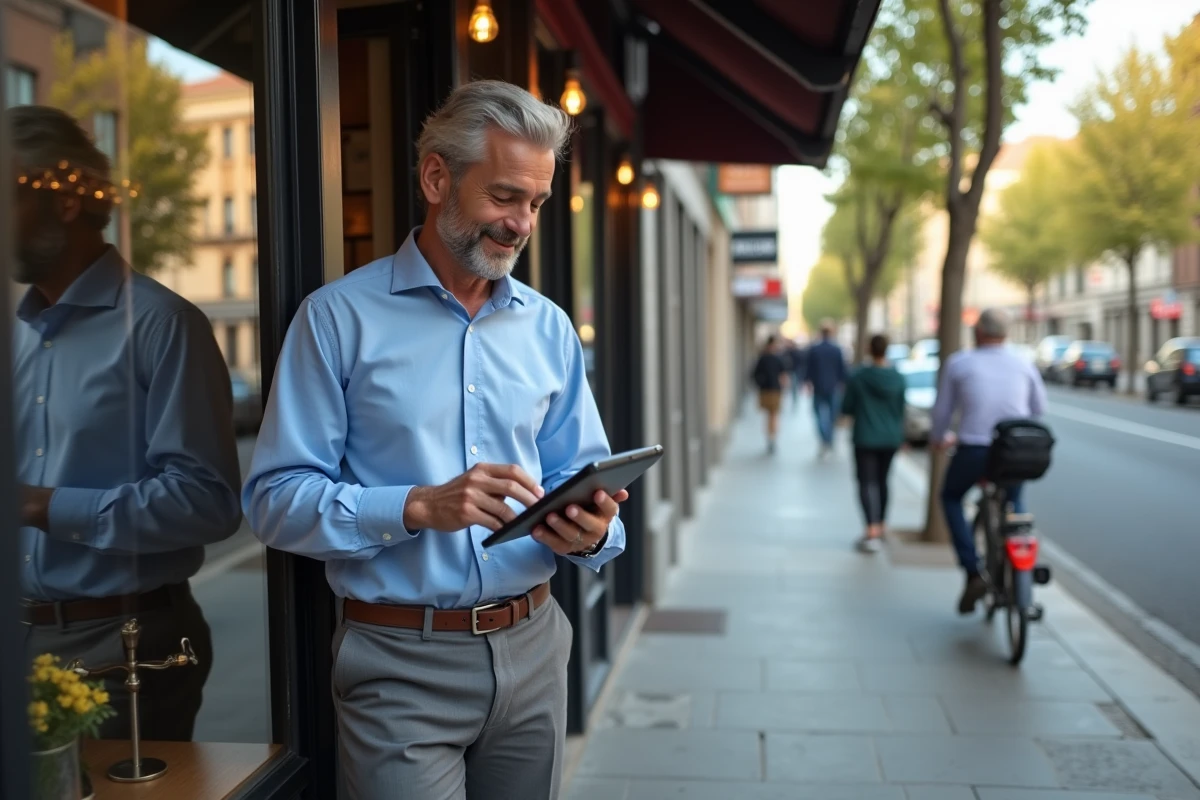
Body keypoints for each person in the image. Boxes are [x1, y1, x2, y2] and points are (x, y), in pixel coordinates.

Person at [242, 80, 627, 800]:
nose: (521, 224)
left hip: (536, 645)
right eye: (505, 196)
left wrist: (594, 529)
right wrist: (416, 507)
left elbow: (581, 471)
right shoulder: (337, 320)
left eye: (536, 204)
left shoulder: (548, 328)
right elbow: (273, 501)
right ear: (435, 177)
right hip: (398, 665)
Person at [10, 105, 241, 739]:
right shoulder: (16, 337)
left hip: (126, 650)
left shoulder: (163, 326)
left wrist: (41, 506)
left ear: (63, 201)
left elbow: (210, 503)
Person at [930, 308, 1047, 614]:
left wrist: (938, 438)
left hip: (975, 449)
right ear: (1006, 334)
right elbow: (1039, 408)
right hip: (1014, 450)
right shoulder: (1023, 362)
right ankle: (1019, 555)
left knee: (951, 497)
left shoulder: (960, 362)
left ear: (978, 332)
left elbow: (943, 411)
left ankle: (972, 571)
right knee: (1015, 501)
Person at [840, 334, 907, 553]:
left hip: (866, 436)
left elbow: (847, 406)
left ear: (870, 349)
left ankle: (871, 529)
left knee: (866, 482)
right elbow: (901, 409)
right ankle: (882, 524)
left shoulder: (859, 376)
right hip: (890, 437)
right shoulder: (897, 377)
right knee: (883, 481)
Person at [805, 319, 848, 458]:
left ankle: (824, 439)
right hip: (833, 387)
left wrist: (808, 383)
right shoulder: (837, 349)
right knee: (831, 416)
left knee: (818, 415)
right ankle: (829, 439)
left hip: (818, 386)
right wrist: (843, 384)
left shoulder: (815, 348)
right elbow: (842, 369)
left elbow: (809, 369)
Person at [752, 334, 788, 454]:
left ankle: (771, 437)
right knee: (772, 415)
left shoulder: (768, 358)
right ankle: (771, 437)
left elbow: (783, 376)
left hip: (770, 389)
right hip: (770, 390)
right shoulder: (770, 358)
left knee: (771, 415)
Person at [785, 337, 807, 411]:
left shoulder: (796, 352)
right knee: (791, 387)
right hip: (789, 372)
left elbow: (801, 362)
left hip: (794, 371)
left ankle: (794, 401)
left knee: (794, 387)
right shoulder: (787, 352)